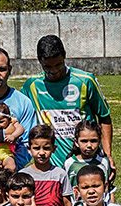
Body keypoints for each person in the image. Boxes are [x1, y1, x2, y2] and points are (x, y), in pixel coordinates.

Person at [23, 34, 113, 173]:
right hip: (52, 167)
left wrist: (107, 155)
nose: (53, 71)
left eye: (58, 64)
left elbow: (104, 117)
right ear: (39, 61)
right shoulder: (33, 86)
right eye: (47, 66)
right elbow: (11, 103)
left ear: (64, 56)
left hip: (86, 163)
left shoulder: (85, 81)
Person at [19, 124, 68, 206]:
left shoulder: (60, 174)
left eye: (46, 148)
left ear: (54, 149)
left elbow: (67, 204)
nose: (41, 153)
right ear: (29, 149)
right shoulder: (22, 175)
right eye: (36, 148)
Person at [64, 120, 116, 193]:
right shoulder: (69, 163)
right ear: (76, 142)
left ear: (99, 141)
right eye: (84, 141)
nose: (89, 145)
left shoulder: (103, 162)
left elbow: (109, 190)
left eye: (93, 141)